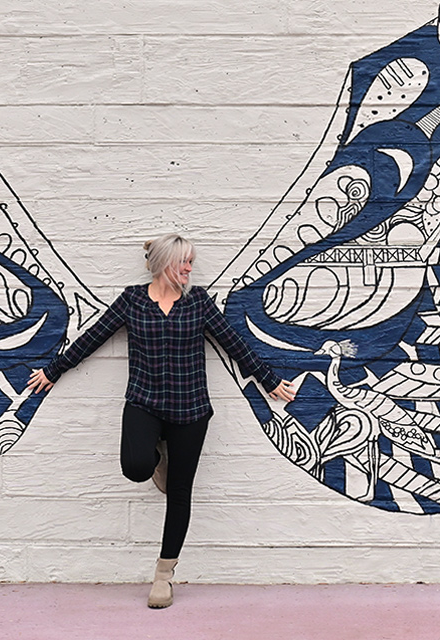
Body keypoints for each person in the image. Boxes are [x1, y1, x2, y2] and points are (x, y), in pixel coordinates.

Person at [27, 233, 296, 609]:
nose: (189, 269)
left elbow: (234, 344)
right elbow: (93, 337)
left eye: (190, 262)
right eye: (183, 261)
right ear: (163, 263)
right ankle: (157, 462)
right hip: (144, 403)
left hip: (191, 411)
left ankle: (164, 575)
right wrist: (55, 370)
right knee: (135, 466)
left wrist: (268, 380)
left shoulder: (199, 303)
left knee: (179, 493)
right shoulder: (132, 300)